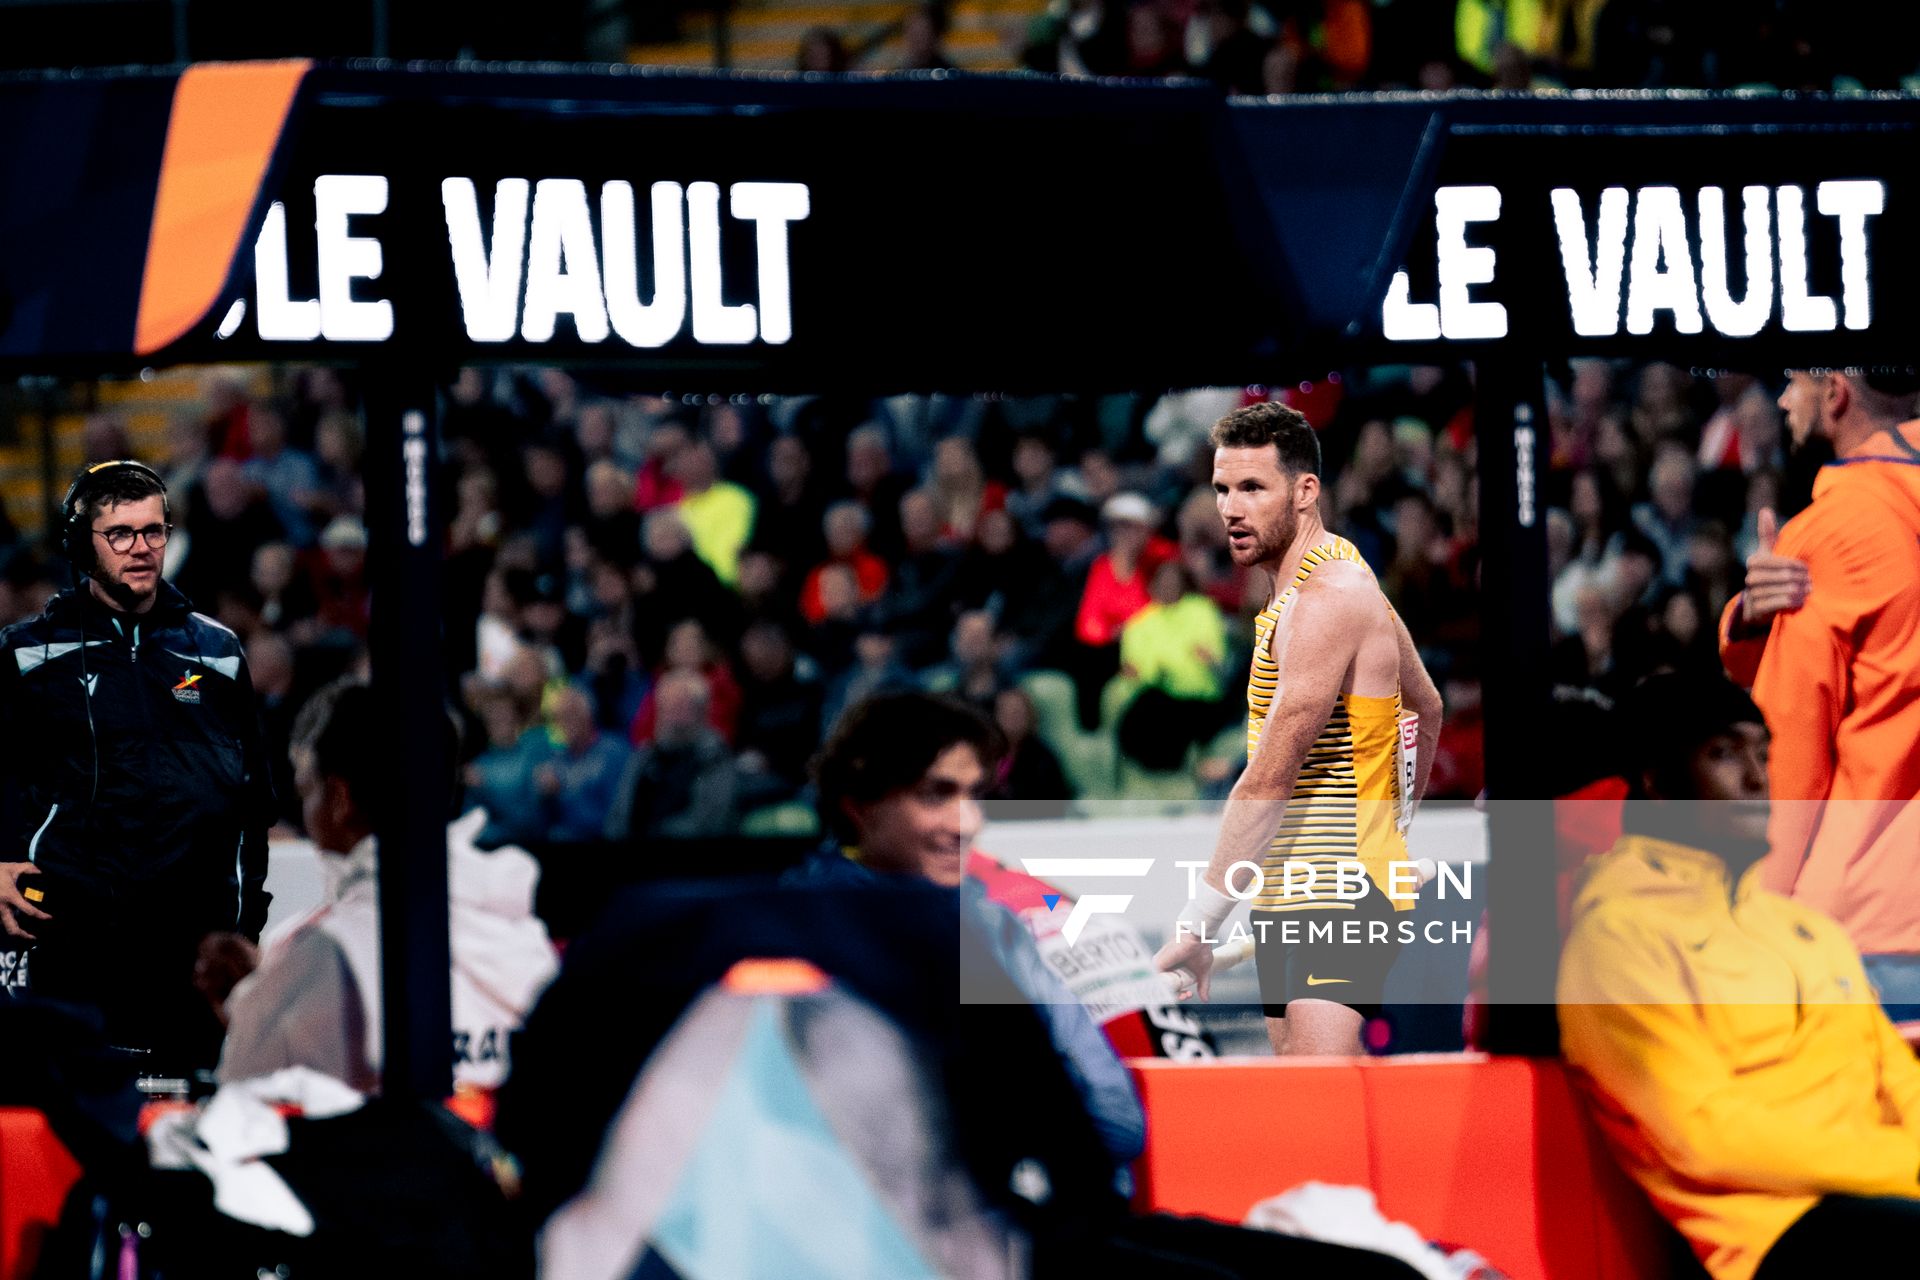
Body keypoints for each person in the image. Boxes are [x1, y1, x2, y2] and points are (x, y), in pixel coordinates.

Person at [1559, 674, 1920, 1280]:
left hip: (1886, 1201)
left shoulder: (1806, 932)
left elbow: (1897, 1079)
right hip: (1770, 1238)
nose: (1757, 779)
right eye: (1723, 754)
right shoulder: (1617, 938)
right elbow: (1702, 1136)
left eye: (1762, 753)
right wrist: (1901, 1164)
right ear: (1656, 781)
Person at [1153, 403, 1443, 1056]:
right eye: (1223, 488)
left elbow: (1267, 780)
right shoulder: (1318, 581)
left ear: (1305, 490)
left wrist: (1200, 924)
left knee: (1321, 1113)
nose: (1231, 508)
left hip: (1337, 893)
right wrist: (1392, 831)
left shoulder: (1331, 598)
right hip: (1291, 892)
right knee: (1305, 1104)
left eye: (1253, 488)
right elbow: (1424, 708)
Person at [0, 460, 275, 1073]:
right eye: (120, 534)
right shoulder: (24, 654)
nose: (141, 548)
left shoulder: (219, 651)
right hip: (71, 940)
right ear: (81, 543)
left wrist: (244, 923)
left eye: (153, 531)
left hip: (192, 948)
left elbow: (253, 804)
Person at [219, 680, 559, 1092]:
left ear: (339, 800)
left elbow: (241, 1100)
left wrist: (260, 997)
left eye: (306, 790)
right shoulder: (525, 936)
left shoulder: (319, 949)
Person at [1718, 367, 1920, 1012]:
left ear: (1836, 394)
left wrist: (1763, 915)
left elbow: (1792, 756)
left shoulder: (1826, 534)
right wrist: (1748, 618)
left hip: (1873, 927)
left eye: (1796, 381)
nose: (1782, 399)